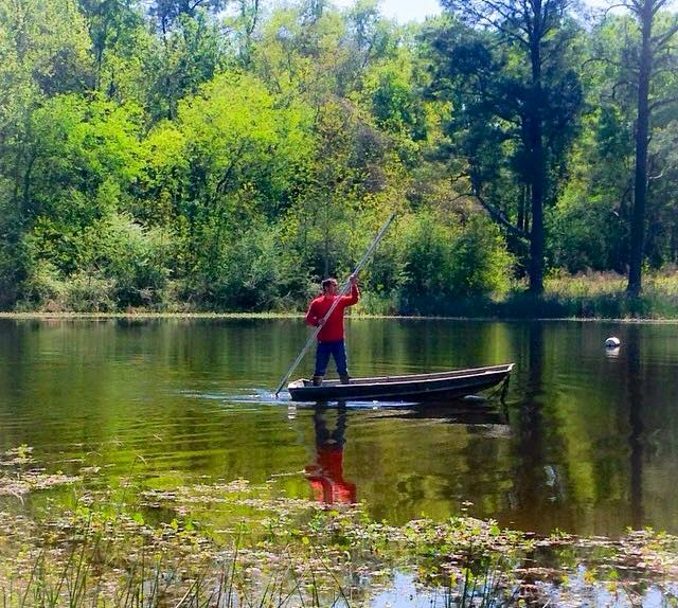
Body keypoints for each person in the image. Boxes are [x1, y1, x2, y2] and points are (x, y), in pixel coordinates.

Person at [304, 274, 360, 386]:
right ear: (326, 287)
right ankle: (316, 389)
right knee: (320, 368)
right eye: (334, 285)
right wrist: (317, 322)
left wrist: (353, 285)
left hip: (338, 341)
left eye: (336, 285)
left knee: (342, 367)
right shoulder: (317, 303)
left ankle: (345, 386)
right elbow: (308, 319)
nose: (336, 287)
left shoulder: (339, 300)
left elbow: (354, 299)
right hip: (323, 342)